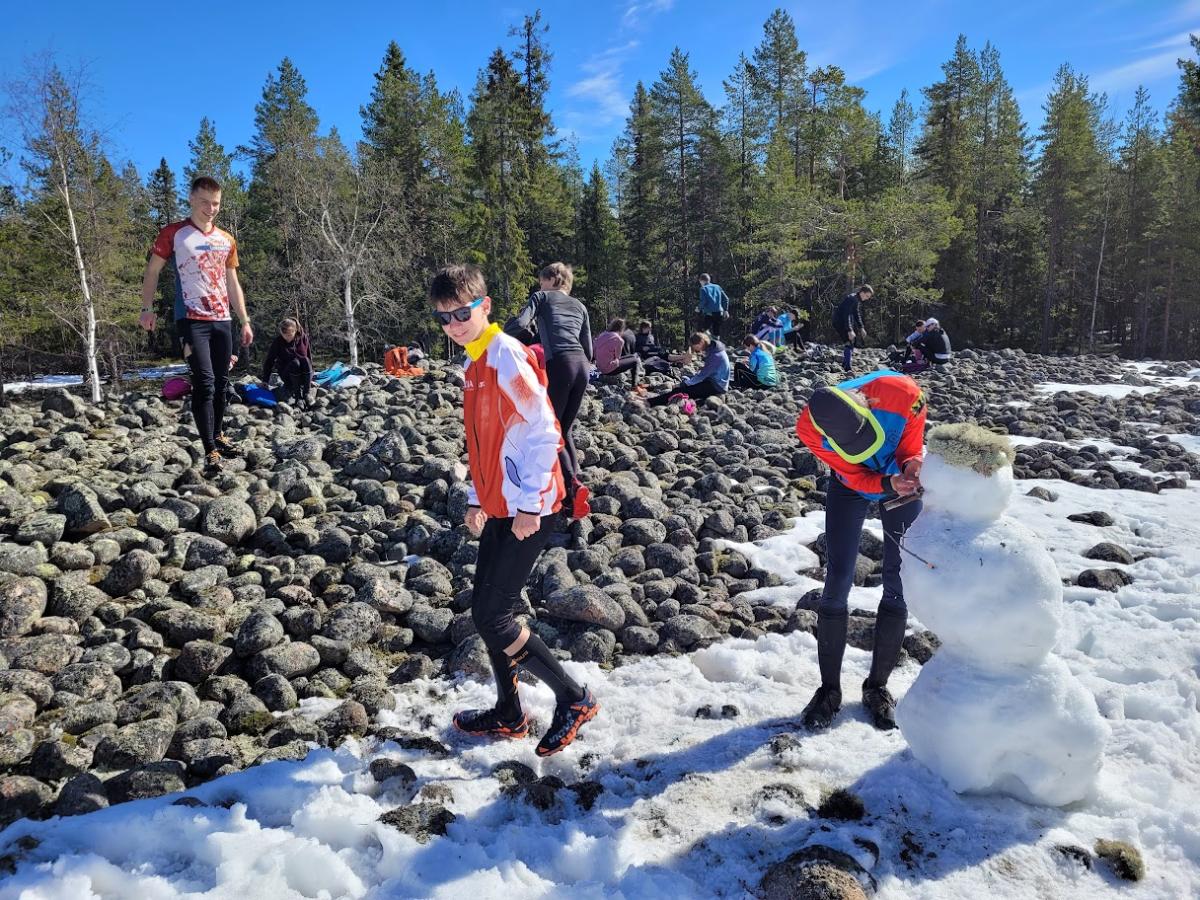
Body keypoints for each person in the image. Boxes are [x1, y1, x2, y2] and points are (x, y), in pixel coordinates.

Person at [431, 264, 600, 756]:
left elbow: (545, 428)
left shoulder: (504, 355)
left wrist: (527, 506)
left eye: (463, 312)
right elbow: (485, 439)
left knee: (496, 616)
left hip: (533, 503)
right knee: (487, 611)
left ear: (485, 305)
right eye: (444, 318)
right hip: (502, 501)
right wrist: (476, 498)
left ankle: (574, 697)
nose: (455, 324)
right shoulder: (472, 362)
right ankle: (509, 713)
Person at [795, 371, 927, 732]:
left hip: (898, 480)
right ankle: (829, 691)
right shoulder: (810, 427)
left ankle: (877, 688)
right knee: (837, 580)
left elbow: (910, 449)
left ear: (868, 404)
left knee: (898, 580)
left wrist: (910, 467)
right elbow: (853, 476)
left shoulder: (906, 395)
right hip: (850, 483)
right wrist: (885, 482)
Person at [140, 176, 253, 475]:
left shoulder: (226, 240)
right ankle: (210, 450)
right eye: (204, 202)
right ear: (191, 199)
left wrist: (244, 320)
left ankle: (217, 434)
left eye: (215, 203)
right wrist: (146, 308)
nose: (210, 208)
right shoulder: (174, 234)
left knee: (222, 383)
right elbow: (152, 271)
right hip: (191, 319)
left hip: (222, 319)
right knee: (204, 382)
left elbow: (232, 282)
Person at [508, 262, 593, 519]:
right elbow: (588, 348)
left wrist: (508, 337)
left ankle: (572, 487)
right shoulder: (580, 306)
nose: (539, 285)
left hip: (561, 364)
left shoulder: (541, 297)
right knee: (564, 430)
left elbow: (519, 324)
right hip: (583, 368)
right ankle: (572, 493)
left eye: (541, 280)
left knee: (550, 430)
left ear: (551, 280)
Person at [646, 332, 731, 407]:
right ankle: (654, 399)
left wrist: (683, 384)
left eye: (696, 347)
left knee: (680, 390)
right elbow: (705, 373)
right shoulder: (714, 347)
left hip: (717, 386)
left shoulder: (715, 356)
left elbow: (702, 376)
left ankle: (650, 402)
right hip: (715, 381)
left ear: (701, 342)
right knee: (688, 380)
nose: (696, 350)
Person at [262, 317, 315, 405]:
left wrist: (310, 378)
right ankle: (297, 396)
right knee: (295, 362)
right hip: (288, 375)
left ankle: (306, 393)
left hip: (302, 373)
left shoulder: (303, 338)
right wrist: (265, 380)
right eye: (285, 335)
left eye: (290, 335)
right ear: (281, 332)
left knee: (305, 359)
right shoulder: (278, 342)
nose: (287, 338)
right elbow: (269, 361)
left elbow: (309, 357)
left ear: (295, 330)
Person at [833, 284, 873, 373]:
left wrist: (861, 327)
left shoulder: (856, 299)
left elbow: (856, 314)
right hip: (839, 321)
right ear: (862, 292)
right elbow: (846, 315)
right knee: (849, 341)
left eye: (868, 297)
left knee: (852, 340)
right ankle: (847, 368)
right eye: (867, 296)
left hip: (844, 321)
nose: (867, 298)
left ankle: (845, 364)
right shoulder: (851, 299)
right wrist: (849, 330)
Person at [594, 318, 644, 389]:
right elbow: (617, 358)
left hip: (599, 367)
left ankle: (635, 383)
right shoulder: (618, 339)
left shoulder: (602, 335)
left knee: (633, 357)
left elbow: (595, 350)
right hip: (609, 370)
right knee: (635, 361)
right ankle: (634, 385)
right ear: (622, 328)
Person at [697, 274, 730, 339]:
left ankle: (708, 344)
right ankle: (717, 345)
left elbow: (703, 301)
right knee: (716, 331)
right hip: (719, 312)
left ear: (702, 281)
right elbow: (726, 299)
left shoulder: (703, 289)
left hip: (709, 313)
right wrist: (725, 310)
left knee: (704, 330)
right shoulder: (717, 287)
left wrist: (698, 308)